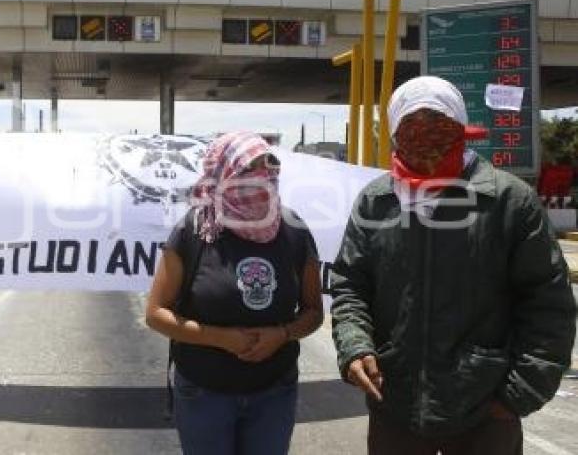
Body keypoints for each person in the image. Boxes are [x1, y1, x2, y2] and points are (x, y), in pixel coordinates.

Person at [331, 76, 577, 454]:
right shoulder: (376, 201)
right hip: (395, 406)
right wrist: (355, 346)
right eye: (413, 127)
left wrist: (518, 394)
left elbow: (548, 305)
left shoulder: (510, 201)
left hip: (486, 414)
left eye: (438, 125)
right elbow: (350, 285)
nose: (426, 138)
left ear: (461, 128)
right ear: (396, 132)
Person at [146, 131, 324, 455]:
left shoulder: (293, 229)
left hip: (274, 394)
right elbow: (156, 314)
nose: (262, 178)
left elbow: (314, 312)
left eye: (267, 167)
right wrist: (220, 338)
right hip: (204, 395)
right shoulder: (195, 229)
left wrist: (282, 334)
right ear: (224, 173)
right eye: (248, 170)